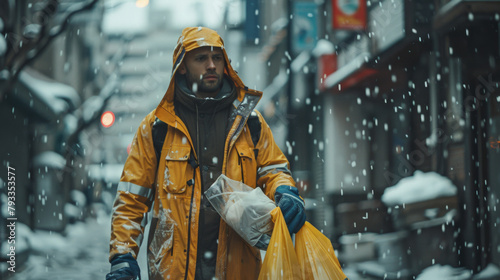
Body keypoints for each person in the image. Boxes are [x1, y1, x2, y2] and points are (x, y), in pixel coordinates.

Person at [106, 26, 306, 280]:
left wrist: (285, 190)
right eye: (201, 58)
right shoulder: (157, 127)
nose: (211, 65)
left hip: (238, 268)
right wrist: (123, 255)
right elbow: (131, 198)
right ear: (182, 66)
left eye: (217, 58)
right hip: (174, 271)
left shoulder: (250, 123)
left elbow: (273, 168)